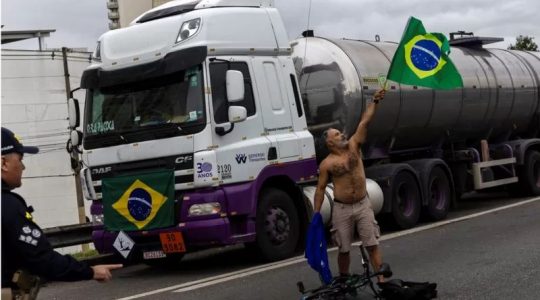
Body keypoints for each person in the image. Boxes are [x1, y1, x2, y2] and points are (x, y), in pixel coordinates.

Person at [1, 127, 123, 298]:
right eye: (20, 159)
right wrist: (90, 271)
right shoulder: (7, 206)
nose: (23, 166)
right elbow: (42, 259)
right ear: (3, 163)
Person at [313, 89, 386, 282]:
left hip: (363, 204)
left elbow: (365, 121)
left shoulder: (354, 145)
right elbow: (320, 190)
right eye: (337, 134)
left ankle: (382, 282)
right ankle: (344, 281)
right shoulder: (327, 164)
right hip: (342, 208)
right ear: (330, 142)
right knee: (343, 249)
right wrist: (316, 214)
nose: (342, 135)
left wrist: (375, 101)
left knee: (371, 244)